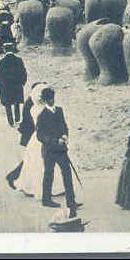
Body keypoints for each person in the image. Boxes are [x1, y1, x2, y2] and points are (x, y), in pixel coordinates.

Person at [12, 83, 64, 197]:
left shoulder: (34, 109)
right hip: (45, 138)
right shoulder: (44, 110)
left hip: (35, 139)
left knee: (35, 163)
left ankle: (34, 186)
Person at [36, 87, 79, 216]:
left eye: (53, 98)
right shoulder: (42, 115)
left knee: (67, 174)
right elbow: (40, 135)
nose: (51, 100)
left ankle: (71, 202)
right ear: (44, 100)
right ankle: (46, 199)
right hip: (49, 150)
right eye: (49, 99)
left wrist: (65, 135)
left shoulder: (59, 111)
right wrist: (55, 141)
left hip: (61, 150)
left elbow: (64, 126)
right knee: (49, 174)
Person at [0, 45, 27, 127]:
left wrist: (1, 84)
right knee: (16, 102)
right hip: (17, 85)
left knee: (7, 104)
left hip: (6, 86)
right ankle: (17, 119)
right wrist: (22, 83)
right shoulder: (19, 60)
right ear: (13, 50)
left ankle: (11, 122)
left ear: (4, 50)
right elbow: (24, 73)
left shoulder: (2, 61)